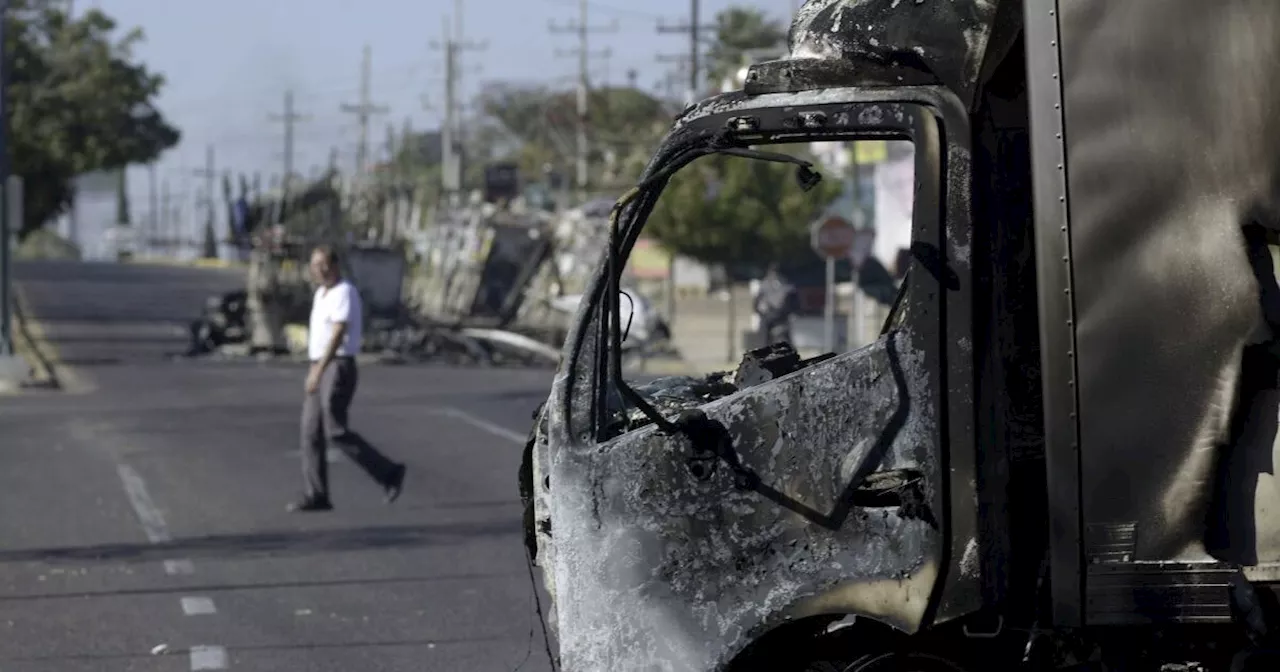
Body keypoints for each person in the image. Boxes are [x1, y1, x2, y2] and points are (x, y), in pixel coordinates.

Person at [289, 244, 406, 512]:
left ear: (335, 266)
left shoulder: (345, 292)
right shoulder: (321, 294)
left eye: (323, 265)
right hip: (320, 363)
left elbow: (338, 333)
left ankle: (389, 473)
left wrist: (320, 370)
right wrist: (313, 366)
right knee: (310, 432)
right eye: (314, 265)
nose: (318, 270)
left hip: (337, 365)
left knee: (334, 429)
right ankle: (317, 494)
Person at [754, 263, 798, 345]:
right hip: (767, 317)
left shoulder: (787, 286)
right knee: (764, 339)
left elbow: (792, 303)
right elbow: (757, 302)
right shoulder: (765, 284)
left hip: (782, 318)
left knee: (784, 339)